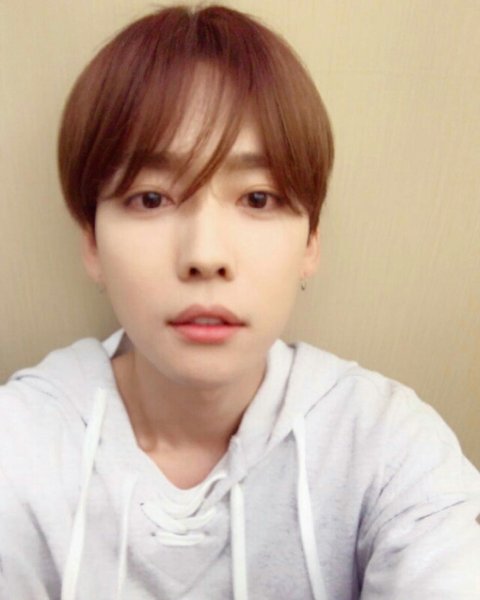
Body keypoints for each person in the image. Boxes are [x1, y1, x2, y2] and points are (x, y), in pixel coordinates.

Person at [0, 4, 479, 599]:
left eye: (257, 198)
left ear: (311, 242)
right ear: (92, 243)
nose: (205, 255)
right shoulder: (19, 445)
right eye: (151, 198)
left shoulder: (387, 446)